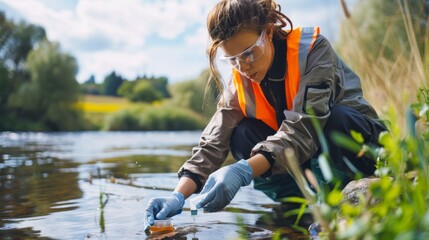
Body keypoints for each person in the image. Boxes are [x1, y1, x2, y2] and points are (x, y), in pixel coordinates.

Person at [144, 0, 386, 230]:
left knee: (336, 121)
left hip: (360, 143)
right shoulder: (240, 79)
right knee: (242, 135)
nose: (243, 66)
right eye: (233, 59)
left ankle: (348, 193)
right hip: (305, 157)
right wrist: (178, 195)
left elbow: (305, 129)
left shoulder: (314, 51)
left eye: (249, 53)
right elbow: (214, 141)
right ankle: (298, 205)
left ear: (268, 32)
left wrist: (243, 171)